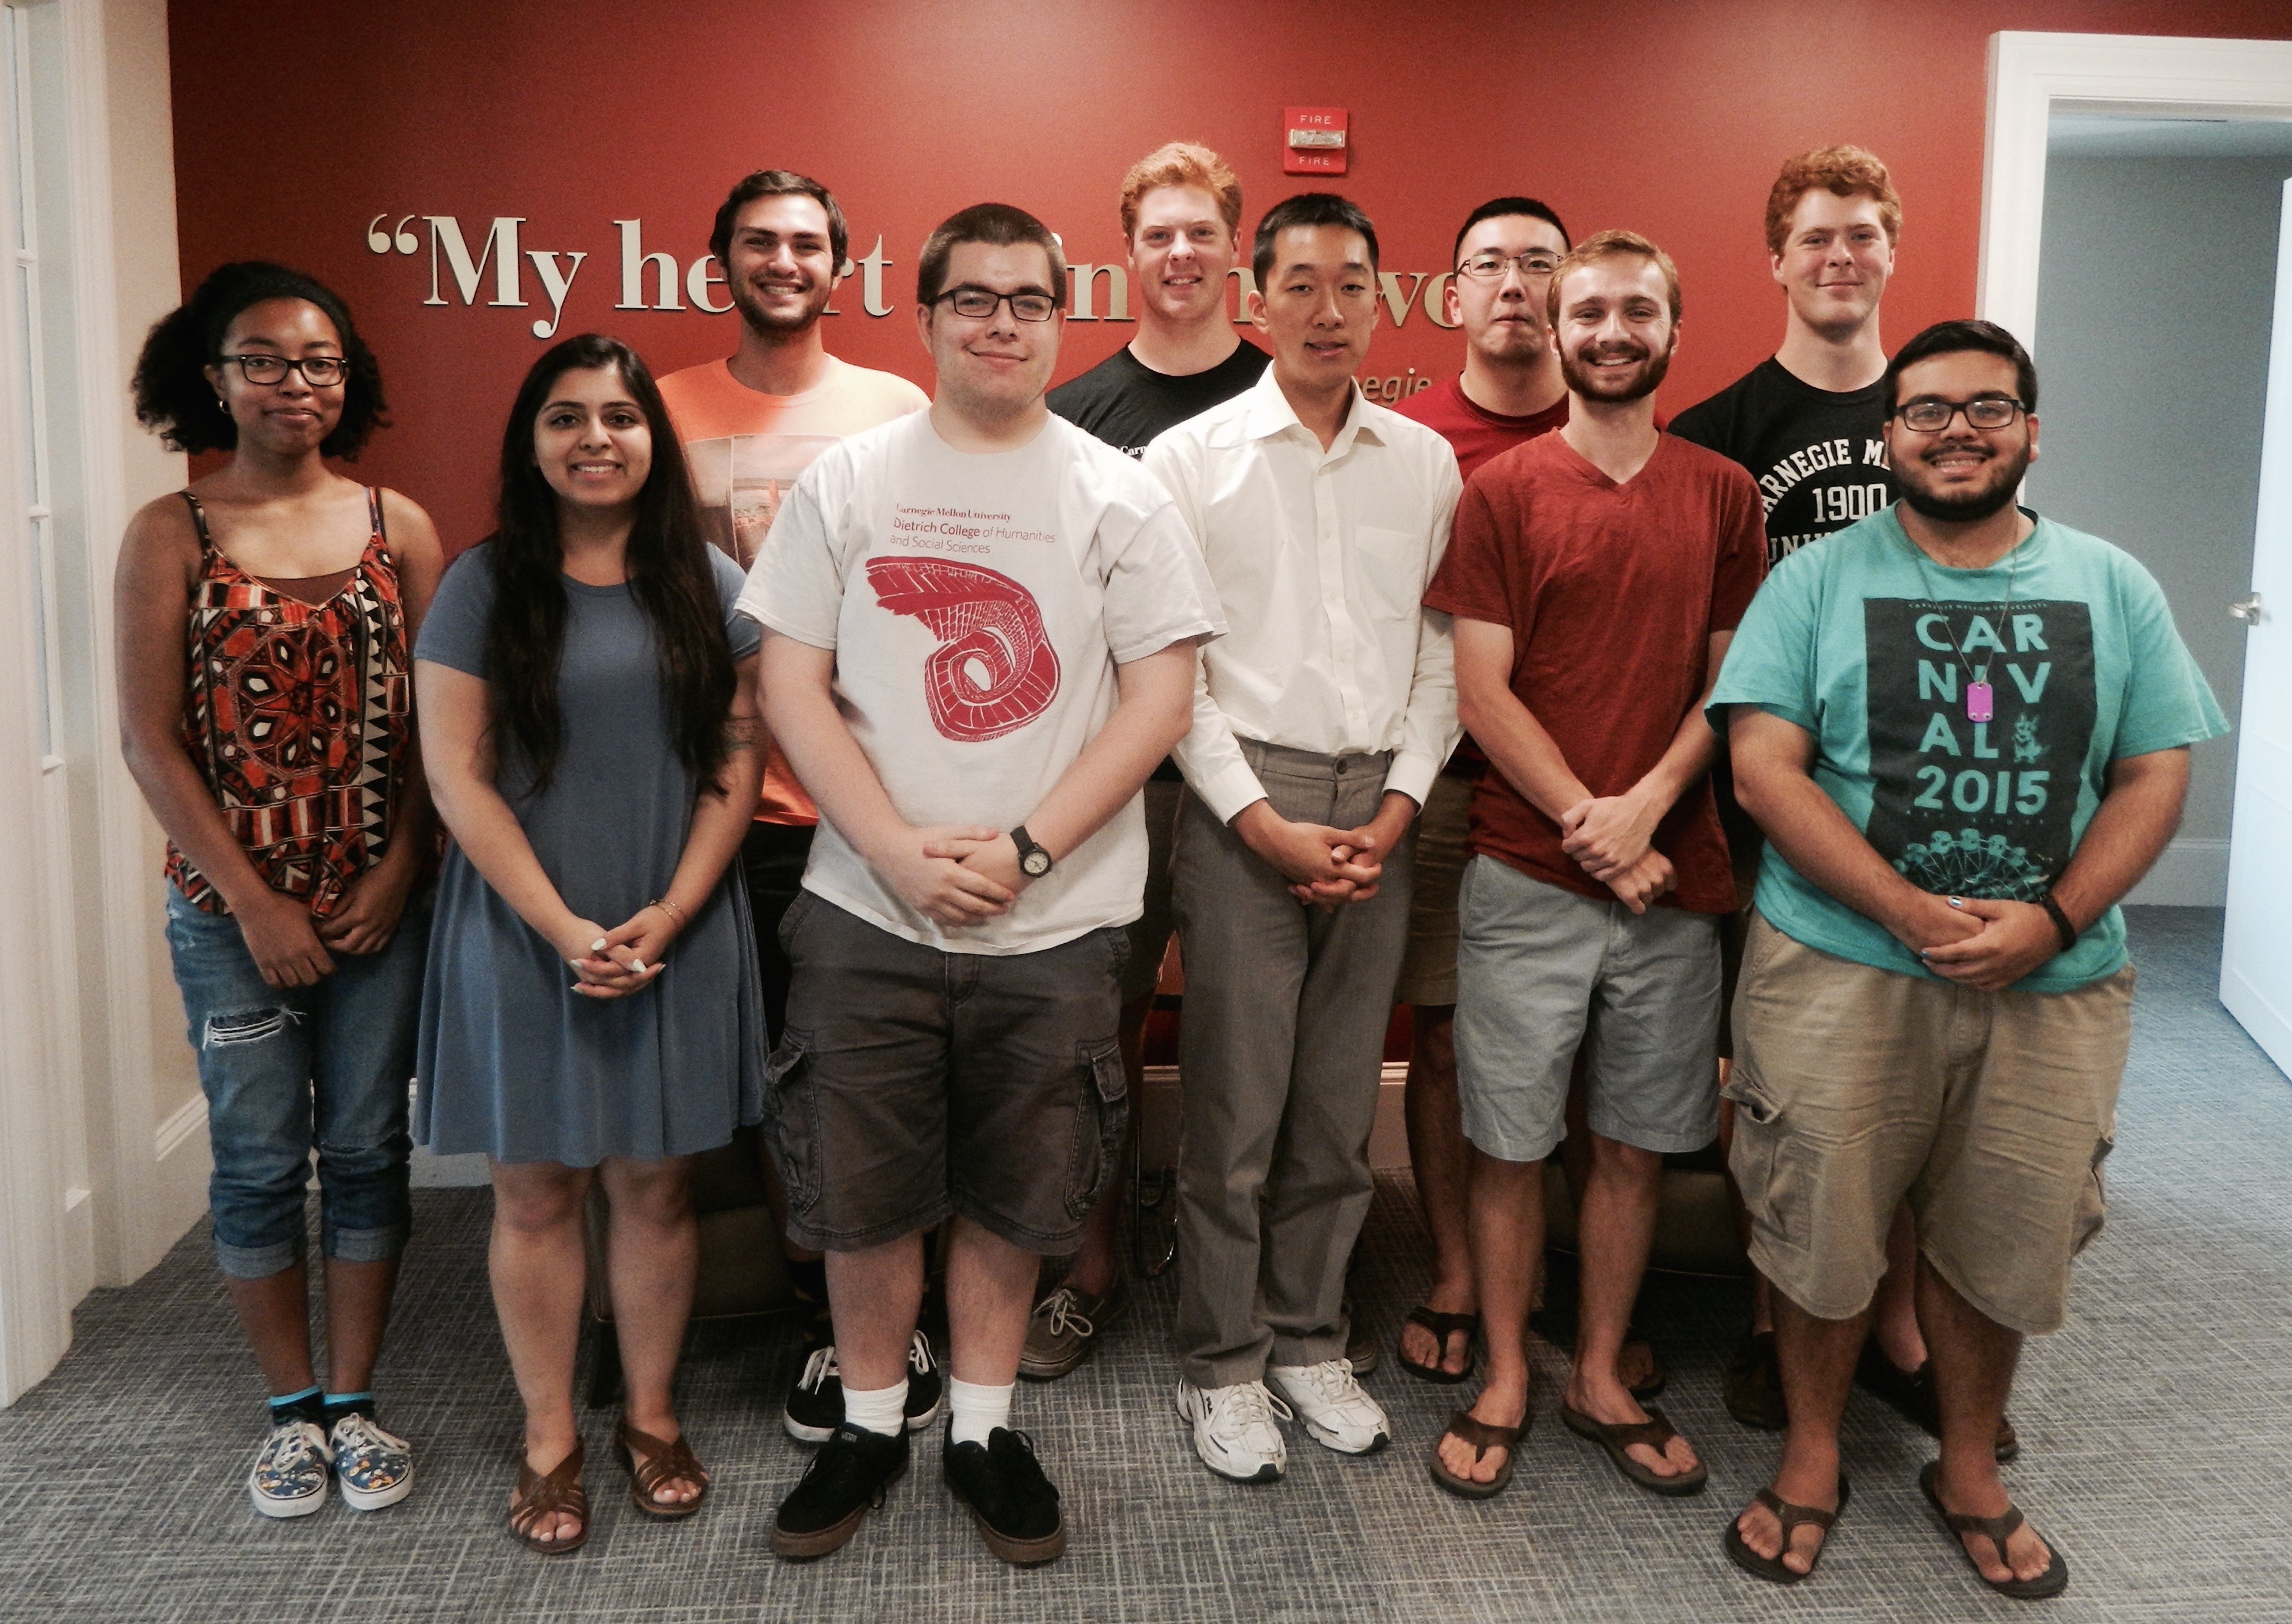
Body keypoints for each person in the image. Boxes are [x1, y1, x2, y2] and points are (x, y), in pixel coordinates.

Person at [1712, 320, 2225, 1597]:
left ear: (2029, 431)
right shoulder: (1815, 579)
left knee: (2005, 1237)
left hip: (2049, 986)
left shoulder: (2112, 584)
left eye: (1985, 409)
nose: (1955, 430)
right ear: (1885, 438)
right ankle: (1813, 1455)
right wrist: (1898, 905)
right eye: (1927, 411)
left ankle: (1967, 1467)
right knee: (1821, 1232)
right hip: (1836, 966)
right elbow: (1762, 767)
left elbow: (2153, 770)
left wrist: (2047, 921)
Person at [747, 203, 1219, 1565]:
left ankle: (983, 1429)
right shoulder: (849, 481)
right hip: (861, 905)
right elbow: (788, 679)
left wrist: (1022, 854)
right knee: (859, 1187)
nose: (999, 322)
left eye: (1025, 300)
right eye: (973, 299)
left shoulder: (1115, 490)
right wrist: (896, 850)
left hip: (1056, 919)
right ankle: (873, 1421)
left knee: (1021, 1193)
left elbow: (1161, 697)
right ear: (927, 315)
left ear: (1057, 318)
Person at [1424, 231, 1764, 1501]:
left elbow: (1734, 680)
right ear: (1555, 333)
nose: (1610, 331)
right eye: (1588, 313)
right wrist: (1587, 821)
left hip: (1675, 880)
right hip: (1525, 872)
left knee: (1631, 1145)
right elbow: (1480, 688)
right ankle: (1507, 1370)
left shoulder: (1723, 493)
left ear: (1672, 330)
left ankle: (1601, 1368)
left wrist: (1649, 811)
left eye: (1635, 311)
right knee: (1508, 1146)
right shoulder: (1502, 491)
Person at [414, 334, 767, 1553]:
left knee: (657, 1184)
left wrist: (668, 912)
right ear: (532, 442)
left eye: (619, 417)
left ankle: (653, 1416)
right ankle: (551, 1434)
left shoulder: (709, 582)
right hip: (522, 928)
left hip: (675, 919)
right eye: (565, 418)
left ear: (652, 441)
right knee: (533, 1187)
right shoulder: (481, 582)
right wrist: (563, 927)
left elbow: (739, 761)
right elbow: (457, 779)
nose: (595, 439)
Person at [117, 262, 443, 1520]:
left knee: (365, 1148)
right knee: (258, 1162)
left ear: (345, 378)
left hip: (376, 907)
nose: (292, 381)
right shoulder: (172, 532)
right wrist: (253, 902)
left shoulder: (394, 525)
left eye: (315, 360)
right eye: (261, 359)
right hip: (227, 918)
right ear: (213, 378)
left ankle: (354, 1403)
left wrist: (401, 862)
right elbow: (151, 740)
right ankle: (289, 1411)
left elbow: (436, 725)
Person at [1144, 192, 1461, 1485]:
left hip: (1380, 797)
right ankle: (1221, 1363)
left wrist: (1394, 809)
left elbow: (1440, 654)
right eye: (1301, 285)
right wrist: (1261, 822)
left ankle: (1306, 1339)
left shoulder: (1422, 463)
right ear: (1253, 299)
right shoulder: (1189, 460)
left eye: (1351, 284)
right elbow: (1175, 675)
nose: (1327, 309)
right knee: (1232, 1103)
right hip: (1240, 805)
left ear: (1379, 300)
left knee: (1335, 1109)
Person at [1671, 146, 1970, 1447]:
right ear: (1776, 262)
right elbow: (1700, 654)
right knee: (1778, 1094)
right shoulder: (1721, 436)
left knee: (1913, 1098)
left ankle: (1896, 1335)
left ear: (1890, 250)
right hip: (1766, 822)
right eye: (1813, 237)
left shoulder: (1948, 429)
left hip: (1927, 814)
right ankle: (1766, 1318)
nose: (1837, 256)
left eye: (1860, 233)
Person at [654, 169, 940, 1444]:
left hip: (875, 811)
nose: (783, 260)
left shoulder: (896, 409)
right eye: (758, 242)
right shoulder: (657, 415)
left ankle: (885, 1320)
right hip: (731, 815)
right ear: (717, 258)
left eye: (806, 242)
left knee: (886, 1080)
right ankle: (818, 1316)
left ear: (842, 264)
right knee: (784, 1081)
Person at [1025, 139, 1268, 1381]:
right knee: (1101, 1032)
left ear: (1236, 246)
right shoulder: (1070, 417)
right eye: (1156, 234)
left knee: (1239, 1031)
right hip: (1118, 782)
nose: (1180, 254)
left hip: (1254, 788)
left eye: (1200, 231)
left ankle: (1231, 1266)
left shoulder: (1289, 405)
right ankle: (1091, 1263)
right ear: (1125, 255)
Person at [1384, 194, 1572, 1386]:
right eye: (1488, 265)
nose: (1514, 282)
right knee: (1447, 1036)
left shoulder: (1618, 427)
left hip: (1594, 788)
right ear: (1450, 296)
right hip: (1450, 787)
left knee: (1580, 1045)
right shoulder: (1408, 442)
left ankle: (1566, 1273)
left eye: (1539, 263)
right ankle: (1457, 1267)